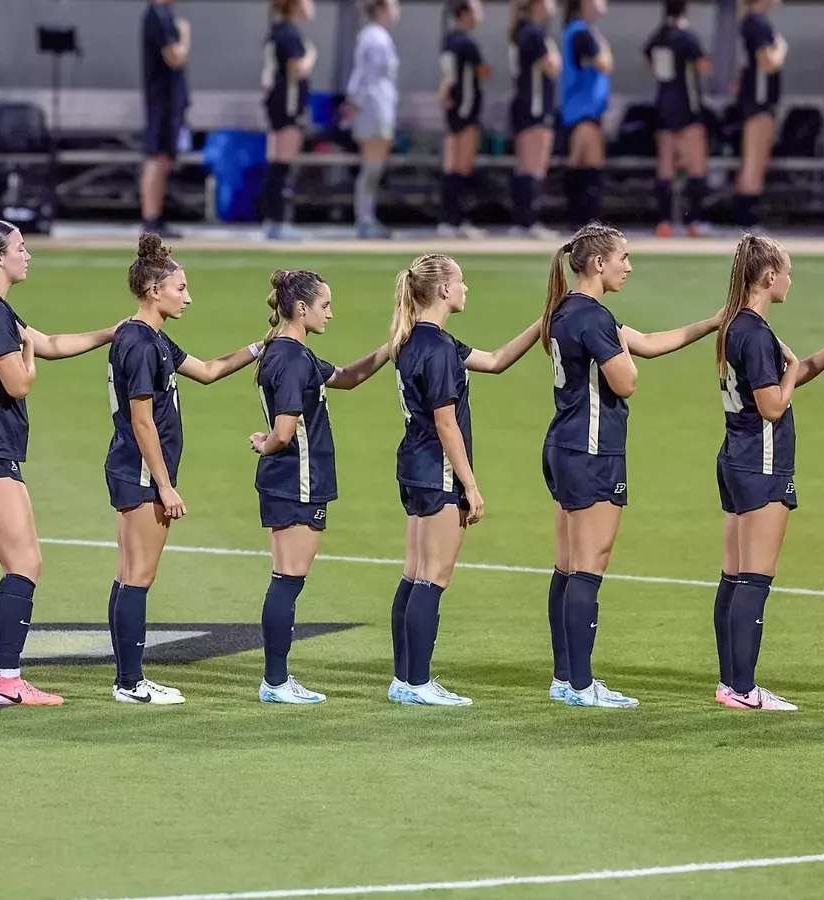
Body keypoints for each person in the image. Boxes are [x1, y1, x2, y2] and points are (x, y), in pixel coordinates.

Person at [542, 224, 718, 709]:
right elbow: (627, 380)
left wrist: (709, 324)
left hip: (564, 446)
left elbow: (648, 342)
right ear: (598, 263)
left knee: (566, 566)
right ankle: (580, 685)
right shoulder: (594, 317)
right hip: (594, 452)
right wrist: (620, 354)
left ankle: (565, 678)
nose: (629, 265)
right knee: (588, 568)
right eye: (624, 256)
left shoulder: (565, 310)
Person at [0, 220, 118, 706]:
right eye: (21, 247)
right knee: (24, 562)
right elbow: (19, 381)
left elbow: (53, 342)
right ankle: (8, 680)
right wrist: (27, 357)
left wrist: (110, 332)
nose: (28, 255)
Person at [106, 235, 261, 704]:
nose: (187, 297)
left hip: (137, 470)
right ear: (155, 291)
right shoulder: (138, 342)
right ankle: (130, 683)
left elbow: (210, 371)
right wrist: (165, 485)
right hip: (139, 472)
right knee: (139, 575)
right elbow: (141, 419)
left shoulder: (151, 337)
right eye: (181, 288)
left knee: (129, 573)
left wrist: (260, 346)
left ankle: (127, 678)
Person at [388, 255, 544, 706]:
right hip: (436, 468)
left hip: (414, 467)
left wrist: (540, 323)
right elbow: (446, 423)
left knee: (414, 574)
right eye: (460, 281)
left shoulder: (418, 340)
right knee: (433, 578)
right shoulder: (436, 348)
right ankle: (417, 683)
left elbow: (495, 361)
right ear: (442, 291)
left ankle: (405, 679)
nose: (466, 288)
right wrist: (470, 485)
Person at [708, 234, 824, 711]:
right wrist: (789, 370)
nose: (790, 279)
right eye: (786, 271)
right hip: (761, 463)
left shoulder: (735, 328)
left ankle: (731, 683)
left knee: (733, 575)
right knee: (755, 578)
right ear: (769, 277)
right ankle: (744, 689)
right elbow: (772, 404)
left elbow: (786, 376)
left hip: (735, 458)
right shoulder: (756, 332)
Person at [249, 270, 390, 703]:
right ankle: (275, 682)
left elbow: (346, 376)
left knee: (285, 578)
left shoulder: (289, 351)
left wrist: (391, 346)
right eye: (325, 305)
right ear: (302, 308)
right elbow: (285, 431)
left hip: (289, 480)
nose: (331, 313)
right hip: (298, 480)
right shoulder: (292, 358)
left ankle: (277, 679)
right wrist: (267, 442)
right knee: (288, 580)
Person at [644, 0, 712, 238]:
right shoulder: (687, 38)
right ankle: (693, 221)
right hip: (686, 105)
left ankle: (664, 222)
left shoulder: (658, 36)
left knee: (665, 165)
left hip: (663, 103)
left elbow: (645, 62)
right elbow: (704, 68)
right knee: (696, 164)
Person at [345, 0, 401, 240]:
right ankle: (364, 218)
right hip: (373, 107)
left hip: (381, 106)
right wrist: (354, 101)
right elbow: (363, 75)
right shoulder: (374, 38)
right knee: (371, 165)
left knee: (375, 166)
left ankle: (367, 215)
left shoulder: (380, 37)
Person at [262, 0, 318, 240]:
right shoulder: (289, 33)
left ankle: (273, 220)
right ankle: (278, 221)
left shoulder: (276, 31)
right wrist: (312, 55)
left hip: (277, 103)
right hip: (288, 104)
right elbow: (298, 69)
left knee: (277, 163)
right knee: (282, 164)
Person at [507, 0, 561, 239]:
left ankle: (523, 221)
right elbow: (553, 67)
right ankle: (529, 221)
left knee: (525, 163)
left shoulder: (520, 30)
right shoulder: (533, 33)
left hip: (524, 103)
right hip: (535, 105)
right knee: (535, 164)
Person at [733, 0, 786, 231]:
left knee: (753, 161)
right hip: (759, 102)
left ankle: (747, 218)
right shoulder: (758, 24)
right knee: (754, 162)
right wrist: (782, 48)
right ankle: (748, 220)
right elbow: (768, 62)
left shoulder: (748, 23)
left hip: (753, 101)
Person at [140, 0, 191, 238]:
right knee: (156, 157)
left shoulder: (165, 14)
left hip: (170, 100)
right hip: (161, 100)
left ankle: (156, 218)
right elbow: (175, 56)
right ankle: (150, 220)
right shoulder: (158, 15)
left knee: (165, 158)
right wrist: (185, 34)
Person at [438, 0, 488, 239]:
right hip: (466, 109)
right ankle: (457, 219)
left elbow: (446, 76)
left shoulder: (449, 41)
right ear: (465, 12)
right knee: (462, 166)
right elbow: (482, 73)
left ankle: (450, 219)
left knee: (452, 165)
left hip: (453, 108)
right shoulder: (467, 43)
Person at [560, 0, 612, 230]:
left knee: (583, 164)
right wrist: (605, 49)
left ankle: (582, 225)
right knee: (588, 166)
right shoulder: (581, 32)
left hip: (583, 110)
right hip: (582, 111)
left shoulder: (584, 31)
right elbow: (603, 63)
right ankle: (584, 226)